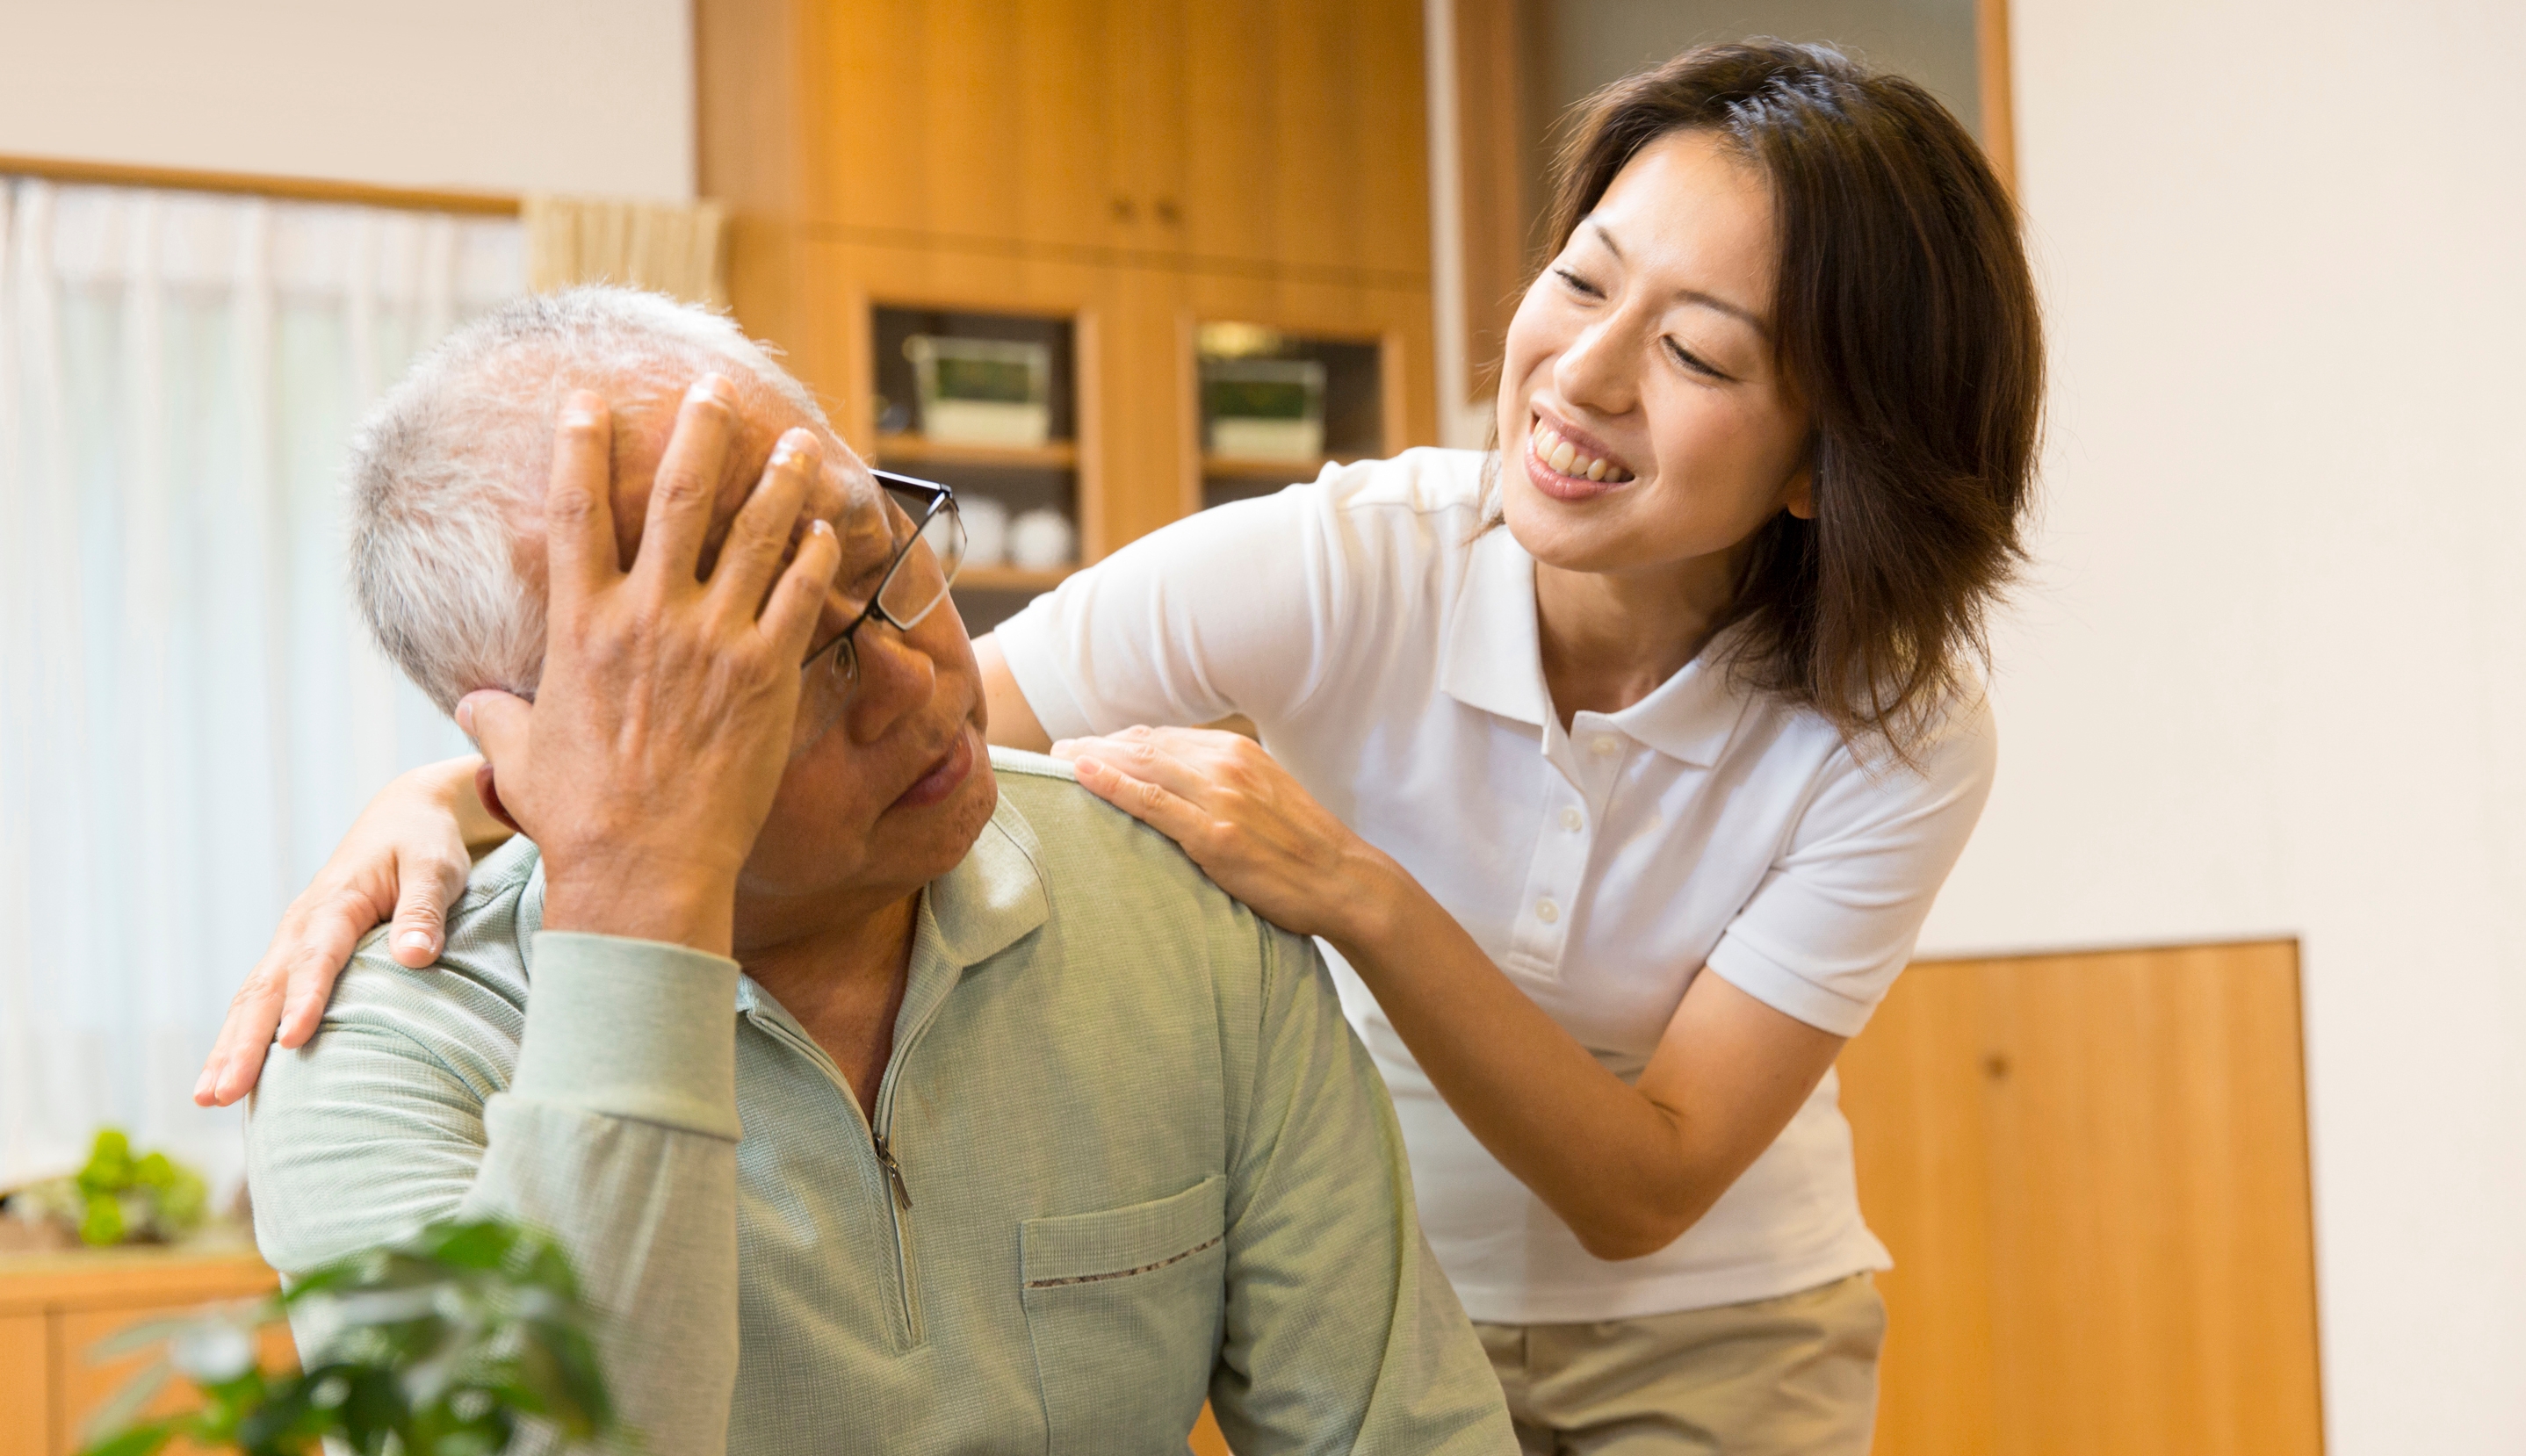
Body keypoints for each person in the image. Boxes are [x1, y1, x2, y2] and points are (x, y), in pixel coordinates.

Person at [208, 41, 2040, 1454]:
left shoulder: (1893, 731)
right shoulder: (1342, 561)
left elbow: (1643, 1185)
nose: (1581, 375)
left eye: (1701, 353)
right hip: (1401, 1243)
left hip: (1707, 1307)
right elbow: (960, 730)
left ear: (1826, 462)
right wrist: (497, 798)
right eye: (1579, 278)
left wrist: (1352, 893)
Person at [237, 288, 1513, 1455]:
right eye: (787, 657)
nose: (920, 681)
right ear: (540, 739)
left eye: (883, 554)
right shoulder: (380, 1054)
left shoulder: (1179, 903)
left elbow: (1405, 1432)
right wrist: (635, 886)